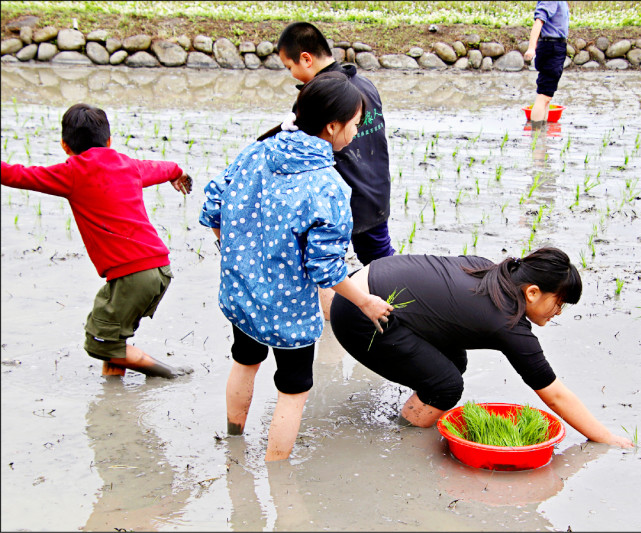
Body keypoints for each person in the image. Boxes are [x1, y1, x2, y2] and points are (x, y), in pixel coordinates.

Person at [198, 72, 394, 462]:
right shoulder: (328, 185)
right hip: (287, 308)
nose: (356, 132)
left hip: (242, 292)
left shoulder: (259, 150)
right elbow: (326, 269)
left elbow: (214, 201)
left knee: (244, 361)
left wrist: (231, 248)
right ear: (332, 126)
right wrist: (367, 302)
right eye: (355, 124)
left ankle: (233, 442)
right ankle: (276, 472)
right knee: (293, 389)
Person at [329, 247, 633, 448]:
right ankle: (405, 439)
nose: (559, 312)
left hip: (364, 286)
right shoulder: (508, 323)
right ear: (533, 292)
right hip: (361, 313)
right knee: (446, 386)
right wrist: (605, 438)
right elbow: (553, 394)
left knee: (453, 362)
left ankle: (411, 415)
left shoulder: (492, 272)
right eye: (559, 302)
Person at [1, 103, 194, 379]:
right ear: (109, 141)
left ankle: (168, 374)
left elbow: (17, 175)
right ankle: (113, 397)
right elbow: (161, 167)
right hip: (158, 269)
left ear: (65, 146)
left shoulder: (71, 173)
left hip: (133, 275)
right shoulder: (129, 165)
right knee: (114, 339)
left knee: (99, 343)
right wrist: (177, 172)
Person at [275, 22, 395, 317]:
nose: (291, 74)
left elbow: (304, 157)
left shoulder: (316, 97)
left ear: (306, 58)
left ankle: (332, 333)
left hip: (337, 202)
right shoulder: (365, 85)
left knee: (327, 267)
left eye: (289, 66)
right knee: (383, 267)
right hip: (376, 195)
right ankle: (402, 316)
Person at [523, 1, 570, 127]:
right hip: (551, 46)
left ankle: (541, 138)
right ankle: (536, 136)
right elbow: (539, 20)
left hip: (556, 45)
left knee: (546, 97)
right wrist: (531, 48)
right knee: (543, 96)